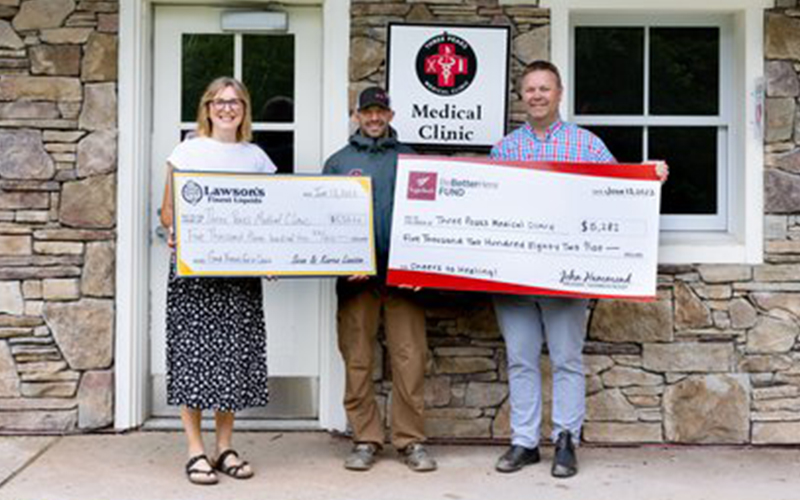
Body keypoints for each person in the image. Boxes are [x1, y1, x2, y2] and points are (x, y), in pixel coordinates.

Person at [490, 61, 668, 478]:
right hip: (514, 276)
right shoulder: (504, 150)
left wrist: (649, 176)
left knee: (567, 359)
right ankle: (524, 442)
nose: (536, 95)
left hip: (564, 277)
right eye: (530, 89)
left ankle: (566, 440)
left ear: (559, 93)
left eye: (544, 88)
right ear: (521, 96)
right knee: (520, 359)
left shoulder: (585, 145)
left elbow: (617, 191)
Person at [159, 76, 276, 485]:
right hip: (195, 274)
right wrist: (175, 230)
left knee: (232, 359)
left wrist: (275, 255)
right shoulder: (187, 151)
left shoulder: (257, 158)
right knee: (193, 357)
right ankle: (195, 450)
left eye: (236, 102)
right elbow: (167, 211)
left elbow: (272, 218)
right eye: (220, 101)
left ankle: (225, 446)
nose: (228, 108)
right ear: (207, 108)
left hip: (240, 277)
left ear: (245, 110)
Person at [323, 86, 437, 472]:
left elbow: (431, 220)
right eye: (367, 112)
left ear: (391, 116)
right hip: (357, 281)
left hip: (403, 280)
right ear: (356, 116)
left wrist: (422, 266)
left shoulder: (411, 159)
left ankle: (411, 441)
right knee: (357, 359)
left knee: (411, 359)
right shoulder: (338, 163)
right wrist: (341, 261)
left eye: (380, 112)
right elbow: (324, 224)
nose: (374, 118)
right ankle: (365, 439)